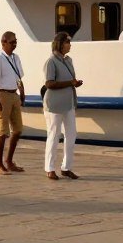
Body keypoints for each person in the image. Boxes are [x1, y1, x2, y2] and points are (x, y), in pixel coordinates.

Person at [43, 32, 81, 180]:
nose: (70, 44)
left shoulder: (68, 60)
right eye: (67, 42)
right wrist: (70, 83)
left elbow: (69, 81)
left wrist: (74, 83)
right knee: (53, 135)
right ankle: (50, 168)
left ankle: (66, 167)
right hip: (54, 105)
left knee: (71, 134)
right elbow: (49, 83)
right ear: (60, 44)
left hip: (68, 103)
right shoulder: (51, 61)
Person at [0, 31, 26, 175]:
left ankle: (9, 161)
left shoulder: (16, 58)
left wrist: (22, 92)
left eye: (16, 41)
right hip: (3, 94)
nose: (14, 44)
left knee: (17, 130)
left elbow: (19, 77)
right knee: (3, 132)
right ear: (3, 43)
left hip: (14, 94)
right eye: (12, 42)